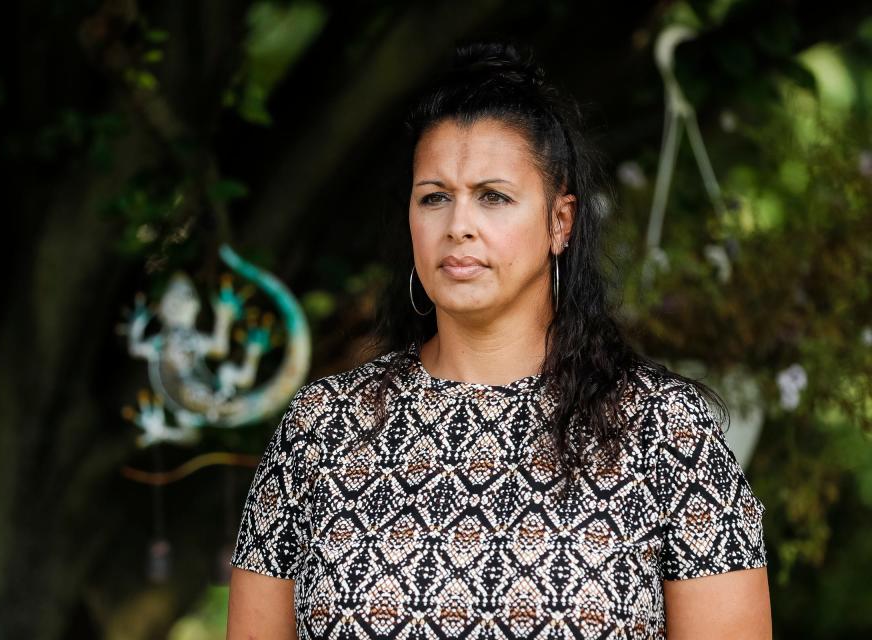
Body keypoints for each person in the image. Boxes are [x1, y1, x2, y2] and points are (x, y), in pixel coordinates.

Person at [226, 39, 771, 639]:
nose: (458, 226)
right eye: (434, 198)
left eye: (494, 198)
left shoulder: (665, 431)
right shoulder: (322, 428)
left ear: (560, 222)